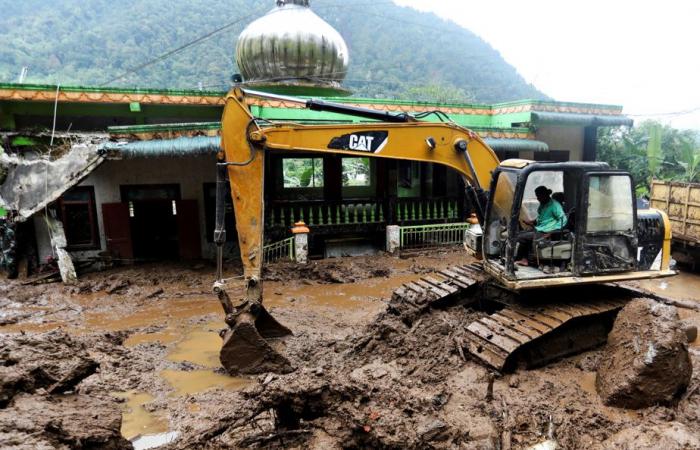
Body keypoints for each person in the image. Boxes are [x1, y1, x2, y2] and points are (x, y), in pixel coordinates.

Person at [514, 185, 567, 266]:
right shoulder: (543, 204)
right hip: (540, 228)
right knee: (519, 234)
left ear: (545, 195)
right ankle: (521, 258)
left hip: (546, 232)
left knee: (521, 238)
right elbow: (541, 218)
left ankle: (528, 260)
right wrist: (531, 222)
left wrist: (553, 231)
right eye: (537, 196)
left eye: (539, 196)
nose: (538, 198)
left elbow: (563, 219)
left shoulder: (554, 205)